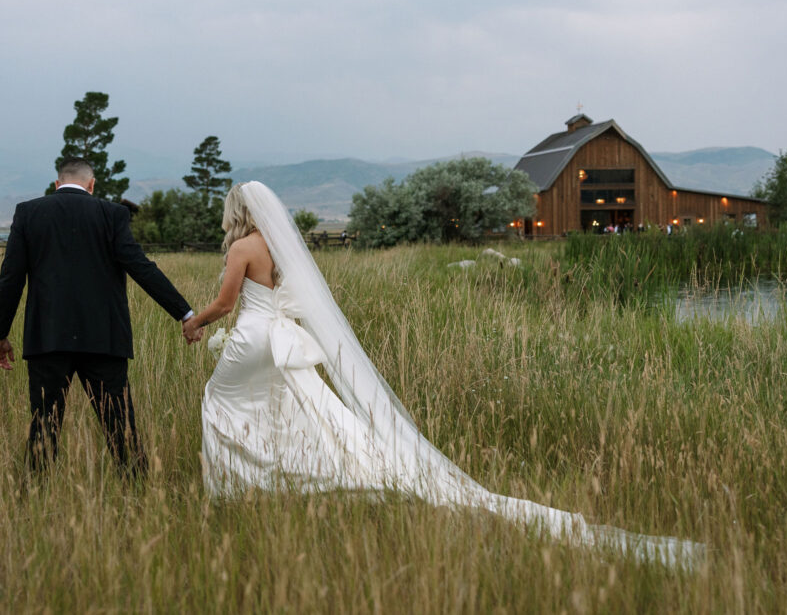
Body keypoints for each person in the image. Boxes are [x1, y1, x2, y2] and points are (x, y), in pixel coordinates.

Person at [183, 181, 704, 567]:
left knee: (217, 401)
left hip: (253, 339)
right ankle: (283, 471)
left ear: (238, 213)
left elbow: (228, 303)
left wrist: (194, 323)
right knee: (294, 406)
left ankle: (241, 482)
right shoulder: (279, 247)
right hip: (281, 339)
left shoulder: (240, 248)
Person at [0, 158, 201, 478]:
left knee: (44, 425)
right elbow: (141, 267)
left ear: (57, 184)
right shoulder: (112, 214)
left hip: (48, 338)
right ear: (92, 184)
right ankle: (137, 491)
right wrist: (184, 313)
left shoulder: (28, 213)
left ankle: (34, 497)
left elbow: (10, 278)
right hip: (104, 338)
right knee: (120, 426)